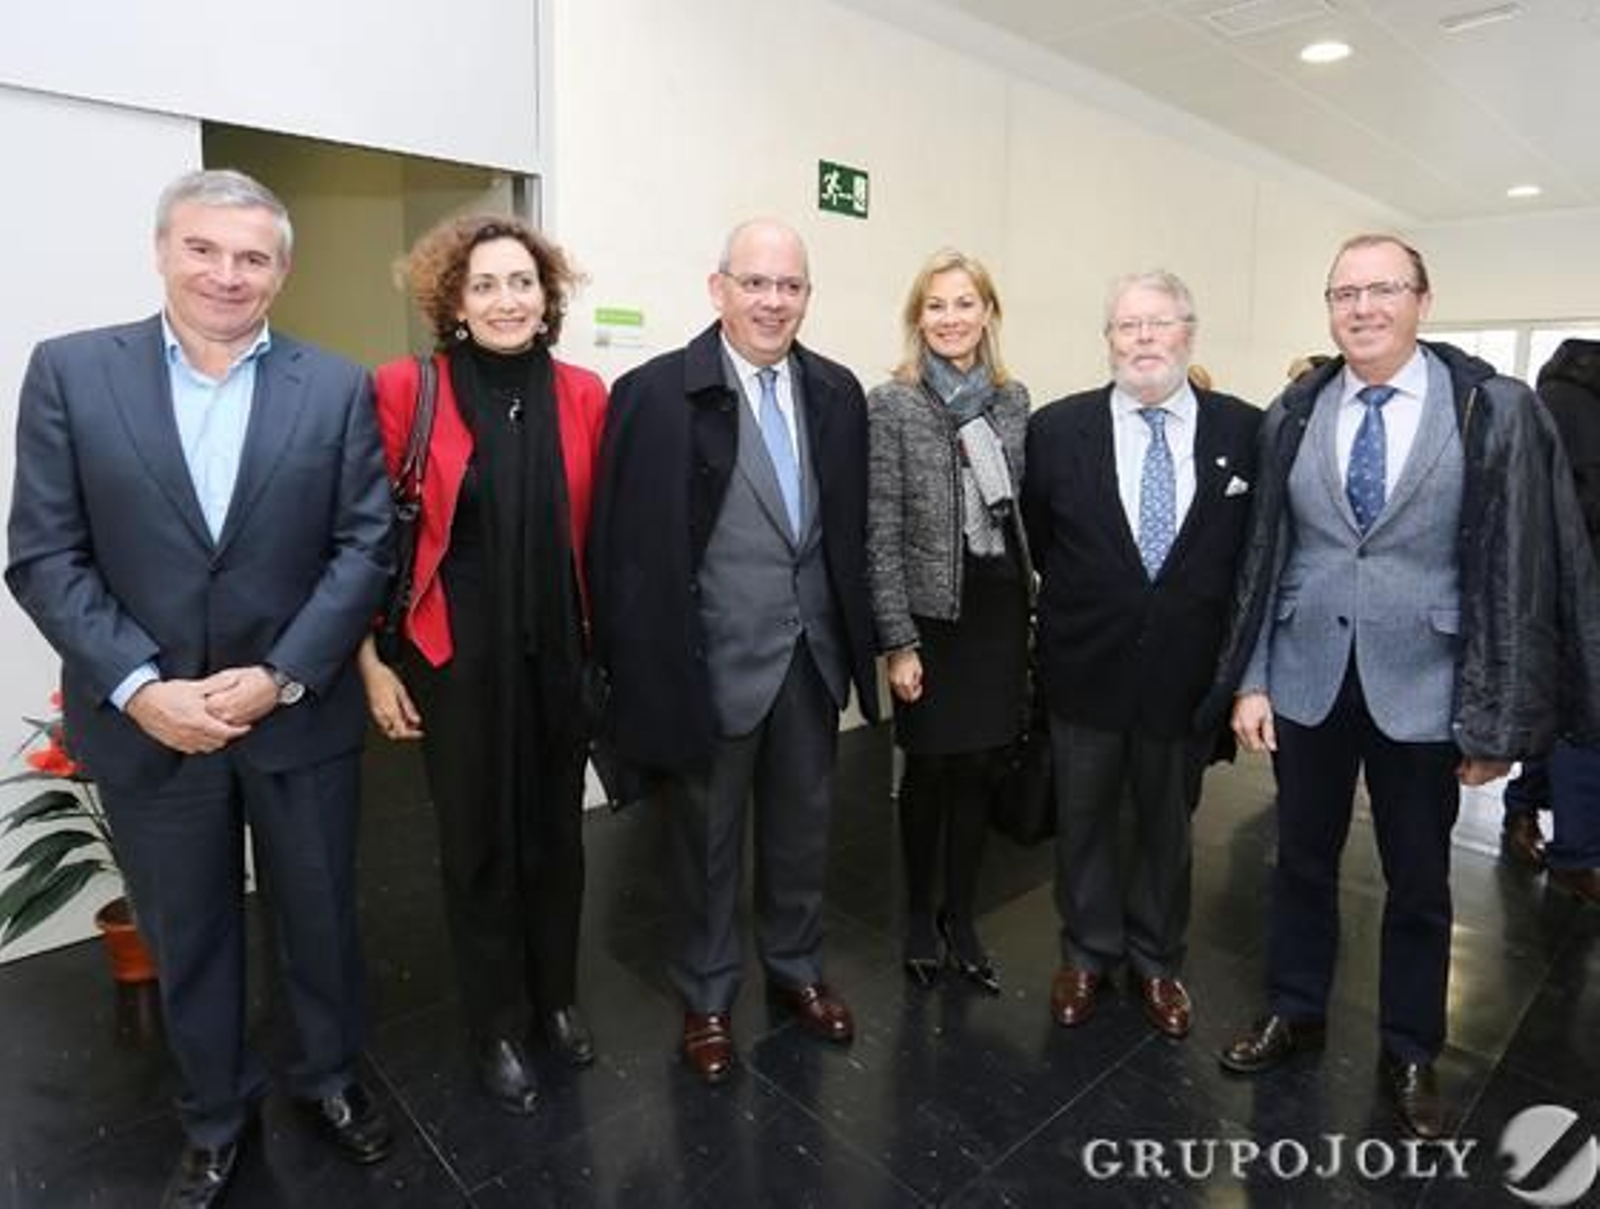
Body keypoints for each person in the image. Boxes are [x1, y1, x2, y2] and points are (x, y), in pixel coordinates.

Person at [6, 169, 394, 1208]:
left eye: (253, 256)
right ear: (163, 251)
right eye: (205, 250)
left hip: (295, 718)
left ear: (282, 270)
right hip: (150, 725)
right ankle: (216, 1116)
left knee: (320, 918)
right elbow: (44, 554)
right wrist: (139, 687)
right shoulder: (72, 373)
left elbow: (365, 548)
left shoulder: (339, 386)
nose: (228, 274)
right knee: (190, 929)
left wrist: (281, 675)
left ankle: (328, 1080)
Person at [1208, 234, 1585, 1139]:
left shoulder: (1484, 409)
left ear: (1422, 298)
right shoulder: (1296, 409)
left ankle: (1411, 1046)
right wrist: (1252, 676)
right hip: (1306, 678)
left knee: (1419, 881)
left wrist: (1496, 713)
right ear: (1328, 305)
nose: (1363, 308)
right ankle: (1294, 1008)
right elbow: (1268, 553)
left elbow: (1515, 566)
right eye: (1345, 292)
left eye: (1383, 290)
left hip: (1426, 685)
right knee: (1298, 859)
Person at [588, 218, 880, 1084]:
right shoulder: (653, 394)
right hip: (709, 665)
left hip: (811, 660)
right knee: (704, 845)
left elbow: (847, 531)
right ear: (718, 289)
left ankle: (795, 969)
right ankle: (708, 995)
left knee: (802, 831)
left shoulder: (836, 392)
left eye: (789, 286)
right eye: (755, 283)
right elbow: (623, 548)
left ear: (806, 297)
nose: (772, 301)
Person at [358, 215, 607, 1115]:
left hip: (557, 654)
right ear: (453, 303)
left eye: (523, 284)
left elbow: (601, 537)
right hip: (454, 659)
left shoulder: (584, 394)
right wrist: (369, 662)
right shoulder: (404, 390)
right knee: (476, 845)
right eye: (486, 285)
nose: (508, 300)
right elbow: (362, 539)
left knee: (558, 838)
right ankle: (495, 1023)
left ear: (548, 301)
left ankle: (557, 998)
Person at [1021, 271, 1261, 1040]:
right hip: (1085, 665)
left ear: (1189, 333)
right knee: (1084, 819)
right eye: (1127, 326)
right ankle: (1087, 953)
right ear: (1109, 341)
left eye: (1159, 323)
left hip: (1185, 676)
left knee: (1167, 823)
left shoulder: (1244, 430)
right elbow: (1041, 537)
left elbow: (1252, 552)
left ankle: (1157, 960)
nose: (1143, 339)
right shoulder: (1058, 430)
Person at [865, 249, 1030, 994]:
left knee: (978, 773)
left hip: (996, 609)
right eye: (936, 305)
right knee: (929, 773)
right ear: (917, 317)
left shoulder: (1012, 398)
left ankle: (963, 918)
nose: (951, 318)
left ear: (988, 313)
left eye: (966, 303)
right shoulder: (893, 403)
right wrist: (897, 640)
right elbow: (881, 528)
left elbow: (1020, 507)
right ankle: (916, 916)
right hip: (931, 618)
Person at [1535, 338, 1600, 903]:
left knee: (1565, 712)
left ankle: (1522, 810)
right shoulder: (1566, 400)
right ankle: (1575, 854)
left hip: (1574, 576)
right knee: (1584, 716)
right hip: (1575, 580)